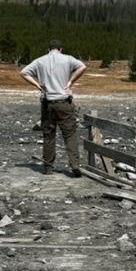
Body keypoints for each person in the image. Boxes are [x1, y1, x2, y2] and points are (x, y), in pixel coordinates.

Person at [20, 39, 87, 177]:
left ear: (48, 49)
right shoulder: (67, 59)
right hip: (64, 101)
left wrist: (37, 85)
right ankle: (74, 165)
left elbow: (24, 72)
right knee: (69, 135)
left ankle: (48, 167)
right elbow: (82, 67)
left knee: (48, 135)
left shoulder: (40, 61)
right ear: (61, 49)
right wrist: (70, 82)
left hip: (47, 102)